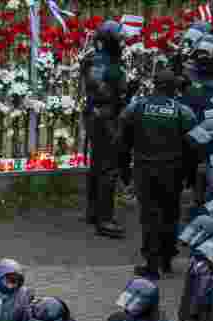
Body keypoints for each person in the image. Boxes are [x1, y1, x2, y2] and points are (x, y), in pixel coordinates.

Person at [119, 69, 196, 277]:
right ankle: (167, 259)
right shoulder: (182, 111)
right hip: (173, 171)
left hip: (145, 169)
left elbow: (123, 139)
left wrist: (124, 168)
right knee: (171, 214)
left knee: (150, 216)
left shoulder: (138, 107)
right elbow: (192, 145)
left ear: (154, 85)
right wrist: (190, 174)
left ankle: (151, 264)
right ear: (173, 88)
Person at [82, 21, 127, 238]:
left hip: (97, 115)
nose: (123, 43)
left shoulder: (96, 59)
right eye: (120, 39)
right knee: (108, 168)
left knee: (97, 164)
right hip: (105, 117)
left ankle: (93, 212)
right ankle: (105, 219)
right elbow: (102, 90)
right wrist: (125, 93)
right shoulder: (103, 63)